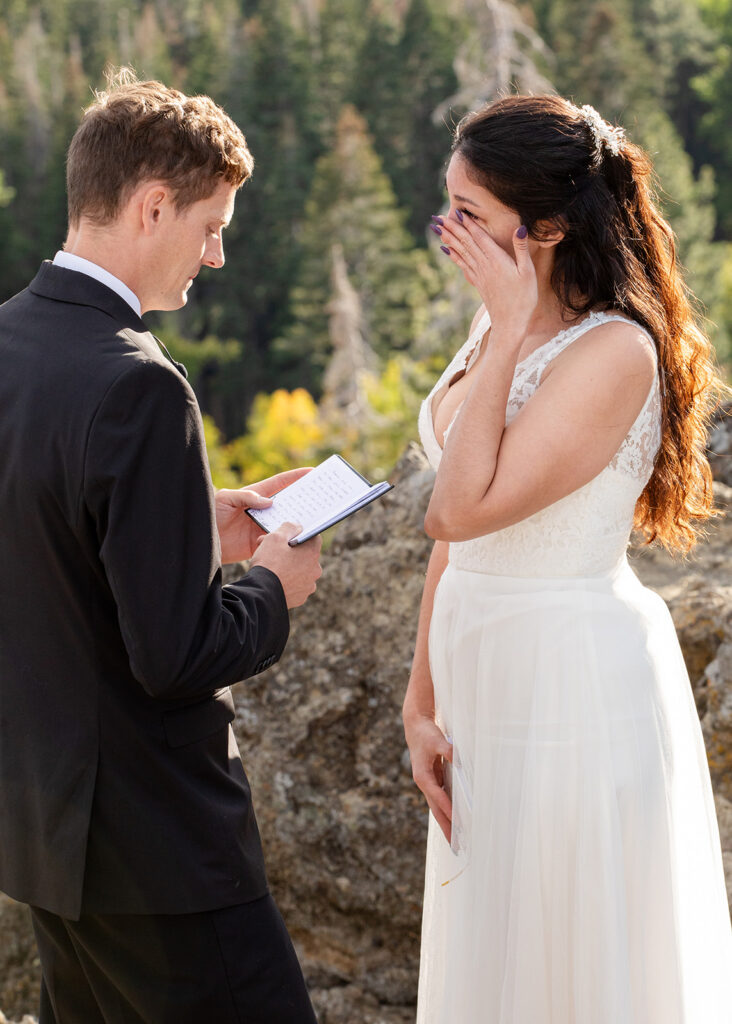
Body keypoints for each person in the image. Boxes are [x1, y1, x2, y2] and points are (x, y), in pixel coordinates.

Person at [0, 72, 323, 1023]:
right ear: (151, 207)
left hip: (44, 843)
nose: (216, 254)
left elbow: (40, 532)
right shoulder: (139, 384)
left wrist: (192, 516)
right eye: (212, 224)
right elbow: (175, 656)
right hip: (162, 857)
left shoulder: (9, 342)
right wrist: (271, 585)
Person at [403, 94, 732, 1022]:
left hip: (570, 679)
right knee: (493, 949)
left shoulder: (613, 351)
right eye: (449, 207)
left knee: (569, 950)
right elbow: (462, 542)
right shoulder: (494, 325)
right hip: (480, 669)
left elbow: (457, 505)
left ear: (545, 227)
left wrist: (508, 330)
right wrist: (419, 701)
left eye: (472, 216)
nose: (450, 234)